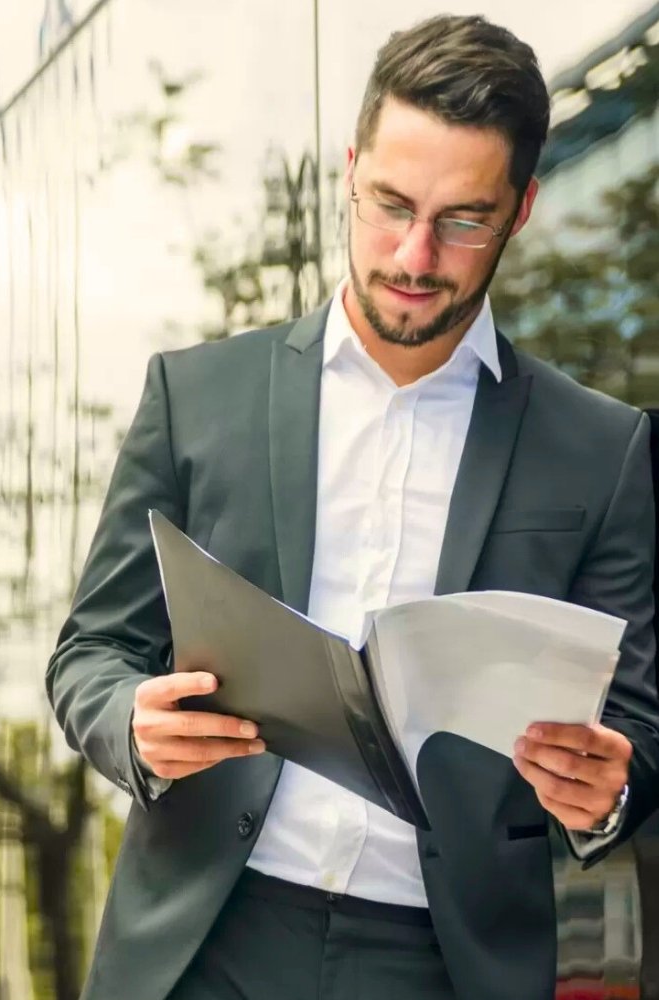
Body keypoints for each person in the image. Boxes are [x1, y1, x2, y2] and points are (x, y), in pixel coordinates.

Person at [46, 14, 659, 1000]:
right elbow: (89, 654)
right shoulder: (196, 396)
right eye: (390, 203)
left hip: (443, 960)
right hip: (208, 938)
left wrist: (607, 791)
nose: (413, 255)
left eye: (462, 219)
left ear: (522, 208)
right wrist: (132, 722)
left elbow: (639, 723)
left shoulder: (604, 449)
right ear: (350, 169)